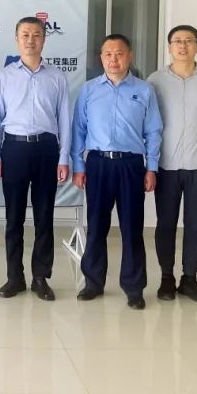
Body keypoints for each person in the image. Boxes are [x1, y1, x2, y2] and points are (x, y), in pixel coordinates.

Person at [72, 34, 162, 310]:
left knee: (132, 227)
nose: (114, 59)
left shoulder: (144, 91)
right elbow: (79, 130)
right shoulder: (88, 90)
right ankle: (93, 283)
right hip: (97, 164)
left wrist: (152, 167)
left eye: (119, 53)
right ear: (101, 58)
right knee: (96, 225)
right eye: (108, 54)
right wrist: (79, 166)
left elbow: (154, 131)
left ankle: (134, 288)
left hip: (131, 165)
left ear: (129, 56)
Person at [0, 16, 71, 301]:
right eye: (24, 34)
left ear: (44, 39)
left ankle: (40, 277)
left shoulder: (57, 77)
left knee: (44, 216)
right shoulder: (4, 76)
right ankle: (15, 277)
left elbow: (64, 120)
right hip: (13, 149)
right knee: (13, 218)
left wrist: (63, 157)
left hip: (47, 149)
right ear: (16, 39)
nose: (30, 40)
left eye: (36, 34)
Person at [146, 25, 197, 304]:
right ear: (169, 47)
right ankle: (167, 278)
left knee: (195, 225)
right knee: (165, 224)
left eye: (189, 41)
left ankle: (190, 279)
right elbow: (149, 122)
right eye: (177, 41)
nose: (183, 46)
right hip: (165, 165)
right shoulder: (155, 80)